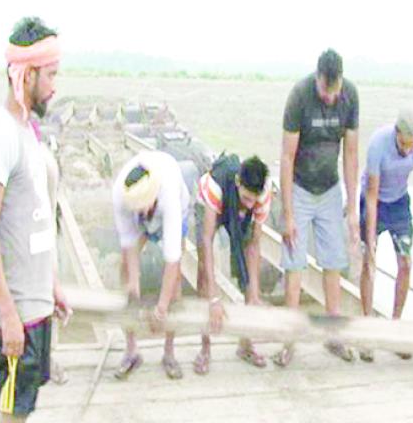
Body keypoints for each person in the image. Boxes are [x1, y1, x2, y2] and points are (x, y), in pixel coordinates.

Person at [0, 16, 71, 422]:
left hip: (36, 304)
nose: (54, 85)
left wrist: (51, 285)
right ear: (26, 74)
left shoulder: (28, 130)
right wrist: (8, 314)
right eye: (49, 75)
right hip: (16, 313)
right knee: (11, 413)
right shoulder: (0, 134)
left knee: (25, 408)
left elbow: (35, 219)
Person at [277, 48, 360, 366]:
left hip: (329, 189)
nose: (330, 97)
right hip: (299, 186)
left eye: (334, 90)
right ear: (317, 79)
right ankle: (289, 339)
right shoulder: (299, 96)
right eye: (326, 91)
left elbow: (351, 155)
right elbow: (286, 157)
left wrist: (352, 208)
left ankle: (333, 335)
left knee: (334, 260)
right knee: (294, 261)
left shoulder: (350, 96)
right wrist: (287, 214)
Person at [358, 110, 413, 362]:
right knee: (369, 262)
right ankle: (367, 328)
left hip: (399, 201)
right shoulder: (378, 144)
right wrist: (370, 240)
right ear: (396, 134)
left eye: (411, 145)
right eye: (403, 144)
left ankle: (395, 325)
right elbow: (371, 197)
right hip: (374, 200)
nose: (407, 149)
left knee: (405, 262)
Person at [112, 150, 191, 380]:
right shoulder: (120, 194)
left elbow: (172, 261)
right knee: (125, 273)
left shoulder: (169, 196)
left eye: (142, 207)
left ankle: (169, 352)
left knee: (174, 283)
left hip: (175, 210)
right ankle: (131, 350)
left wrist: (161, 308)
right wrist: (133, 287)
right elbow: (128, 247)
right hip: (143, 216)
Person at [192, 153, 272, 374]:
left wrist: (254, 292)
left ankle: (245, 344)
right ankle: (205, 348)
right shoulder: (214, 187)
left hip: (237, 215)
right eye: (246, 198)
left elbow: (253, 246)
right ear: (238, 183)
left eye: (252, 200)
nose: (249, 204)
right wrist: (215, 299)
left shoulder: (262, 196)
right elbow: (208, 241)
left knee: (247, 275)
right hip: (211, 206)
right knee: (203, 271)